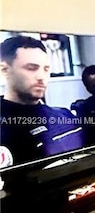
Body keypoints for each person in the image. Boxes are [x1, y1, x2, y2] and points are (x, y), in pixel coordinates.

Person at [0, 35, 82, 165]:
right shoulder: (4, 130)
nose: (41, 77)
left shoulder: (65, 116)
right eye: (31, 68)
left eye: (46, 69)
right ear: (5, 70)